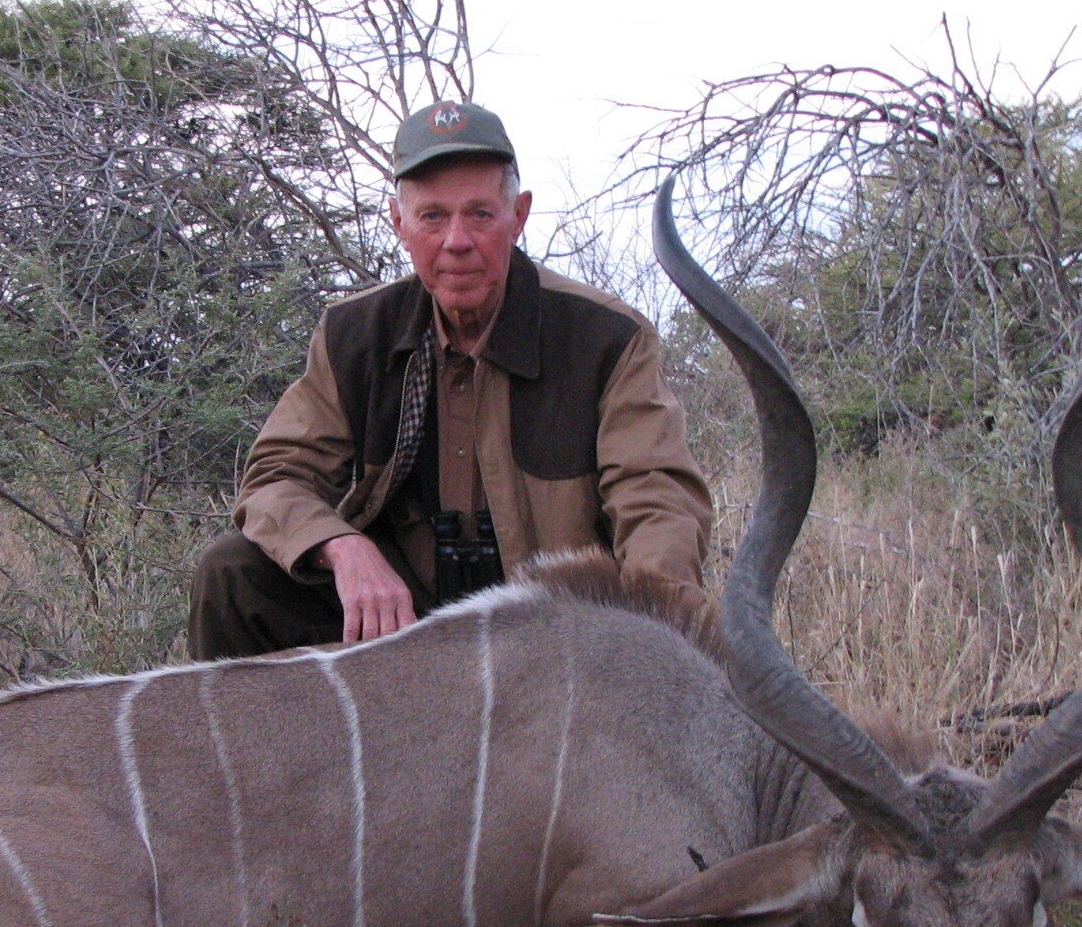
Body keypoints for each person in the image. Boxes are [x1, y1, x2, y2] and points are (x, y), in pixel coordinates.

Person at [189, 99, 712, 658]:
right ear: (399, 222)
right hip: (401, 616)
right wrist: (341, 546)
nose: (456, 240)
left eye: (481, 214)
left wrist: (651, 634)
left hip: (548, 620)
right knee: (232, 575)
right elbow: (274, 478)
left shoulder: (606, 336)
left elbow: (657, 502)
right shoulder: (355, 333)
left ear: (519, 216)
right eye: (432, 216)